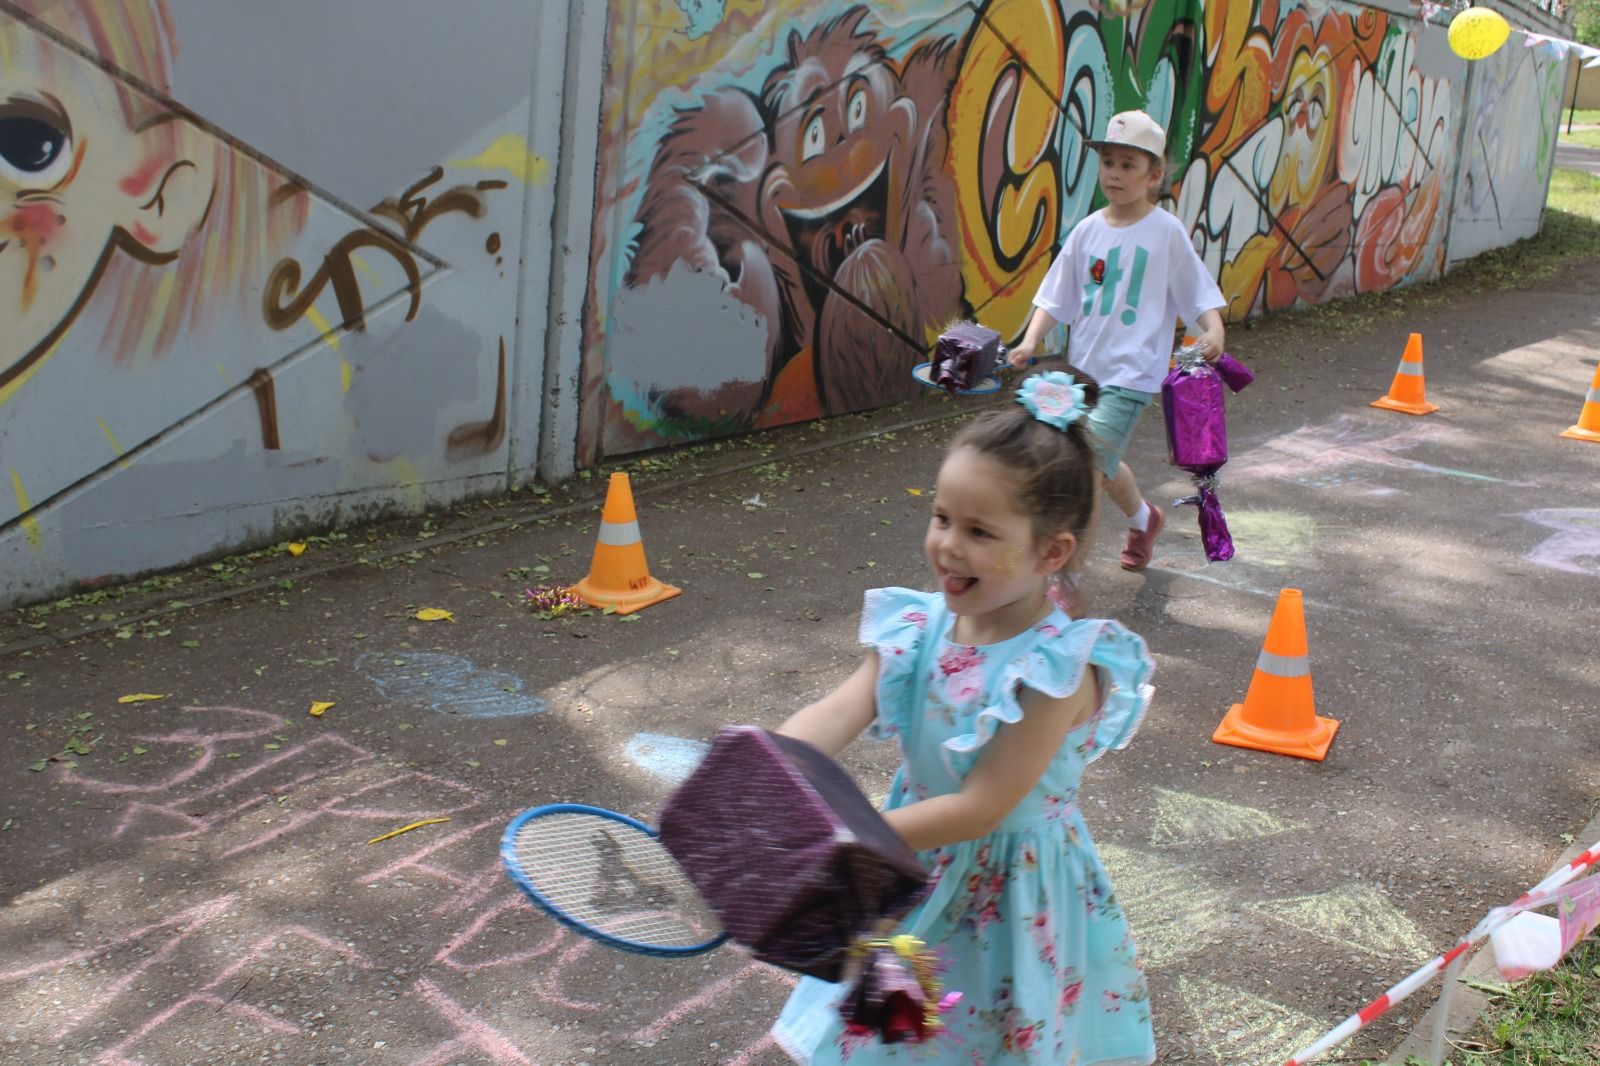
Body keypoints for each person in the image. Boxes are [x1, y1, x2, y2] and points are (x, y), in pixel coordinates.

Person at [771, 370, 1157, 1065]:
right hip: (905, 871)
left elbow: (984, 806)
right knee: (887, 1040)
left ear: (1052, 552)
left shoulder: (1058, 667)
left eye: (979, 531)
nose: (948, 544)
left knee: (980, 1041)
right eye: (942, 517)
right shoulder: (919, 627)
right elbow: (836, 712)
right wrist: (760, 772)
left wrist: (849, 841)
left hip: (1005, 898)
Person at [1007, 110, 1227, 611]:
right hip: (1081, 375)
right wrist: (1028, 340)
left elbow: (1196, 290)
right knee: (1095, 460)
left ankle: (1066, 581)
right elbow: (1054, 297)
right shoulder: (1087, 231)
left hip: (1132, 376)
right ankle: (1142, 518)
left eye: (1128, 164)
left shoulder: (1165, 232)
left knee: (1083, 471)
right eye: (1108, 162)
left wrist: (1213, 328)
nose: (1114, 173)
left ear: (1153, 176)